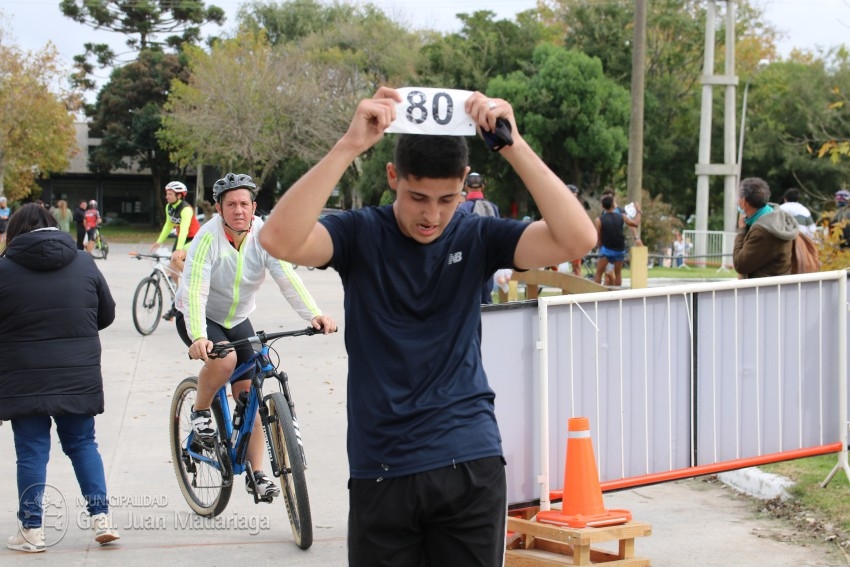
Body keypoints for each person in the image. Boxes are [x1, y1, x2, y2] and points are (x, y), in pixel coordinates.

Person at [257, 87, 596, 566]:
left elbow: (577, 237)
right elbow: (277, 238)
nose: (432, 215)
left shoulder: (477, 234)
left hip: (469, 461)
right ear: (393, 176)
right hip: (383, 466)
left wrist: (512, 144)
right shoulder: (360, 233)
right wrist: (349, 145)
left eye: (447, 198)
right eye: (417, 197)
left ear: (465, 183)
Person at [175, 172, 337, 499]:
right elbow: (195, 292)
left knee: (249, 392)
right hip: (200, 317)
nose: (238, 210)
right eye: (231, 204)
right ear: (219, 208)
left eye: (244, 204)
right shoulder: (207, 239)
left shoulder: (264, 236)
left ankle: (257, 473)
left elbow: (286, 276)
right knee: (225, 360)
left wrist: (314, 314)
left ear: (254, 207)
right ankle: (200, 412)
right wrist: (198, 336)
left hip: (237, 318)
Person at [0, 204, 119, 552]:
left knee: (32, 451)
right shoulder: (84, 261)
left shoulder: (4, 269)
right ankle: (102, 519)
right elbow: (106, 313)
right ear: (54, 226)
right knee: (83, 444)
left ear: (16, 231)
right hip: (76, 372)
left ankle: (32, 530)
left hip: (23, 375)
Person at [151, 181, 201, 320]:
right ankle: (176, 305)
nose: (166, 196)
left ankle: (194, 279)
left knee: (175, 259)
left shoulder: (186, 209)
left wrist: (179, 250)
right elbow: (168, 224)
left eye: (170, 194)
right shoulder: (169, 207)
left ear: (179, 195)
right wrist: (159, 241)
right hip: (181, 239)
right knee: (172, 273)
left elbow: (184, 229)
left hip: (193, 239)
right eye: (167, 193)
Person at [732, 177, 799, 278]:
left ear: (743, 202)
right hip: (778, 287)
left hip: (763, 290)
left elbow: (740, 264)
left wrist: (741, 230)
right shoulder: (776, 216)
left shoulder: (763, 231)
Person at [457, 172, 501, 303]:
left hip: (468, 257)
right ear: (483, 187)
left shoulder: (462, 208)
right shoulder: (493, 207)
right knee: (486, 297)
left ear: (466, 187)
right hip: (489, 257)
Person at [594, 191, 641, 286]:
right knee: (618, 273)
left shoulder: (599, 220)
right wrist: (639, 211)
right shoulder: (622, 216)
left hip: (606, 249)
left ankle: (596, 295)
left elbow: (599, 237)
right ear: (613, 205)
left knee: (599, 273)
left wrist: (600, 247)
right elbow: (635, 224)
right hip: (619, 249)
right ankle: (618, 296)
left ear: (602, 206)